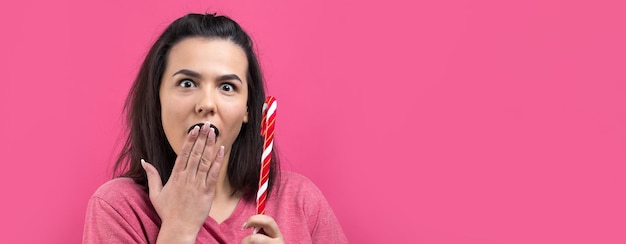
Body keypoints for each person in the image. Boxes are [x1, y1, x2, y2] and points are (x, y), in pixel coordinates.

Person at [82, 13, 348, 244]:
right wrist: (178, 230)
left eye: (227, 87)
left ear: (247, 109)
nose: (207, 104)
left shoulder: (301, 202)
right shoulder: (118, 208)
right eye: (187, 83)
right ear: (157, 98)